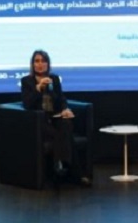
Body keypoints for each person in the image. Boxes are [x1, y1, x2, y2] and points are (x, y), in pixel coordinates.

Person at [20, 50, 90, 187]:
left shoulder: (55, 79)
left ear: (48, 64)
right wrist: (38, 88)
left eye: (43, 61)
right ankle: (75, 174)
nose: (40, 64)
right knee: (64, 136)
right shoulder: (26, 81)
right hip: (38, 120)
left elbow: (61, 99)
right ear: (33, 64)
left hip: (55, 117)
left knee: (66, 125)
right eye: (37, 61)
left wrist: (65, 109)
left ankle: (60, 166)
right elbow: (27, 104)